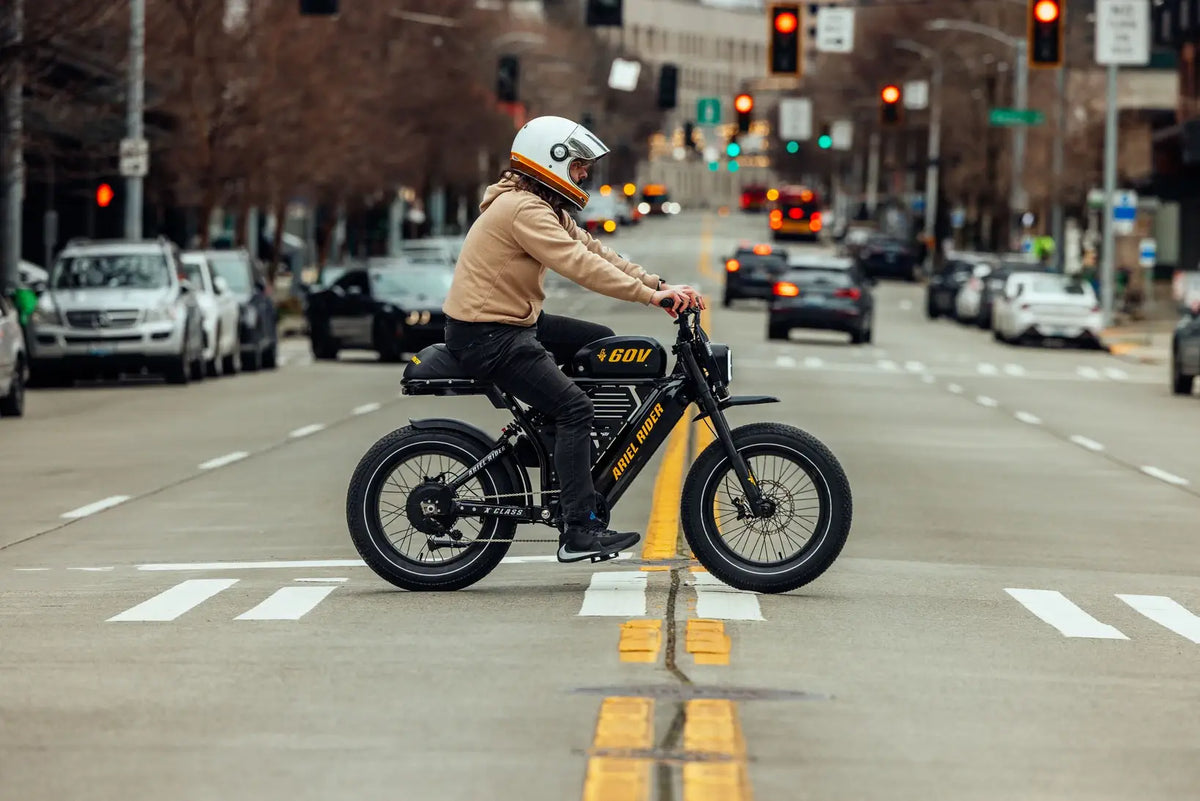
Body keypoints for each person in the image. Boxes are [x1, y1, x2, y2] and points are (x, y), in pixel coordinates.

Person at [442, 115, 704, 564]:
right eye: (579, 165)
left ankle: (560, 442)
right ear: (553, 159)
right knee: (574, 407)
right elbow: (578, 266)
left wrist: (658, 281)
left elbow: (596, 251)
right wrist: (651, 297)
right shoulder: (522, 210)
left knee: (599, 341)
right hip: (488, 334)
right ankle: (577, 527)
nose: (583, 173)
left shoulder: (544, 206)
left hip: (510, 323)